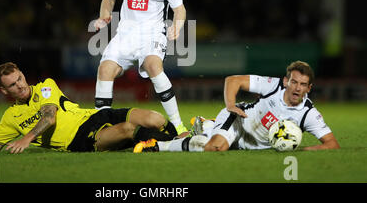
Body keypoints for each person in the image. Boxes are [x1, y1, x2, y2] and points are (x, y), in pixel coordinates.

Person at [0, 62, 177, 155]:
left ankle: (179, 138)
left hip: (95, 115)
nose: (20, 86)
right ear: (4, 91)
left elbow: (49, 117)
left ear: (22, 73)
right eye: (12, 85)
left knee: (154, 117)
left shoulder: (45, 87)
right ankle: (178, 145)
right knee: (128, 130)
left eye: (19, 78)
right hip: (79, 139)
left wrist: (27, 138)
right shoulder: (10, 117)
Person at [93, 0, 187, 134]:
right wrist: (104, 14)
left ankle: (178, 125)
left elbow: (179, 9)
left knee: (154, 66)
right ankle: (101, 127)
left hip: (152, 33)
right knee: (105, 69)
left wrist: (177, 27)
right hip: (125, 33)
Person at [134, 60, 340, 153]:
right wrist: (231, 105)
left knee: (205, 139)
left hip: (248, 145)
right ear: (286, 81)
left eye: (303, 85)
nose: (297, 88)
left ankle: (206, 126)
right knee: (214, 148)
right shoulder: (273, 85)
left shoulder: (308, 113)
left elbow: (332, 144)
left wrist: (303, 150)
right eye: (294, 82)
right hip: (238, 122)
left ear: (309, 88)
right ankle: (157, 146)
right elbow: (233, 80)